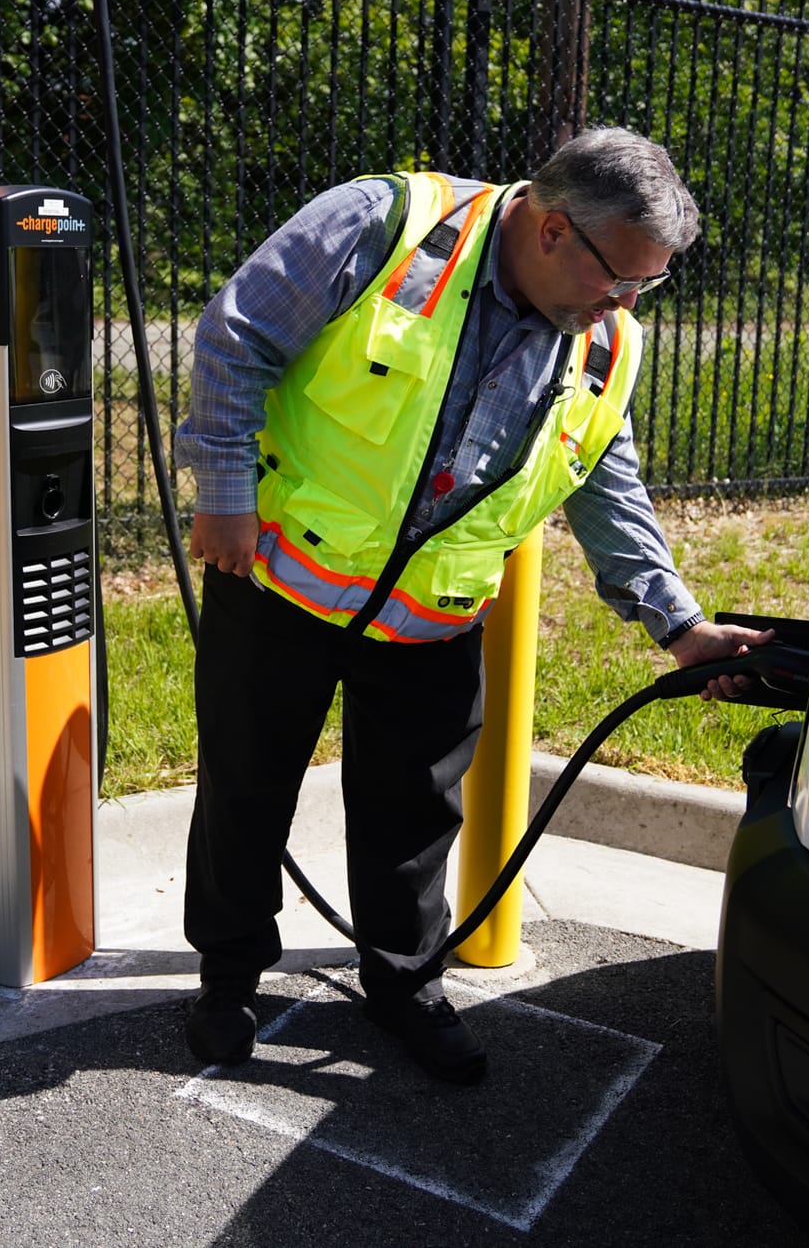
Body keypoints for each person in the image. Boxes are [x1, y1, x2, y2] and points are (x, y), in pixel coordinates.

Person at [172, 126, 771, 1084]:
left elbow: (604, 481)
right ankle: (228, 980)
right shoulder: (389, 224)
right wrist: (225, 494)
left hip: (433, 613)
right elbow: (238, 335)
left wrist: (679, 622)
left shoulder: (607, 340)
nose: (624, 303)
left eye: (646, 286)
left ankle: (406, 984)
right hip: (280, 575)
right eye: (620, 276)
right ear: (551, 231)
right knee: (248, 788)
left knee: (414, 816)